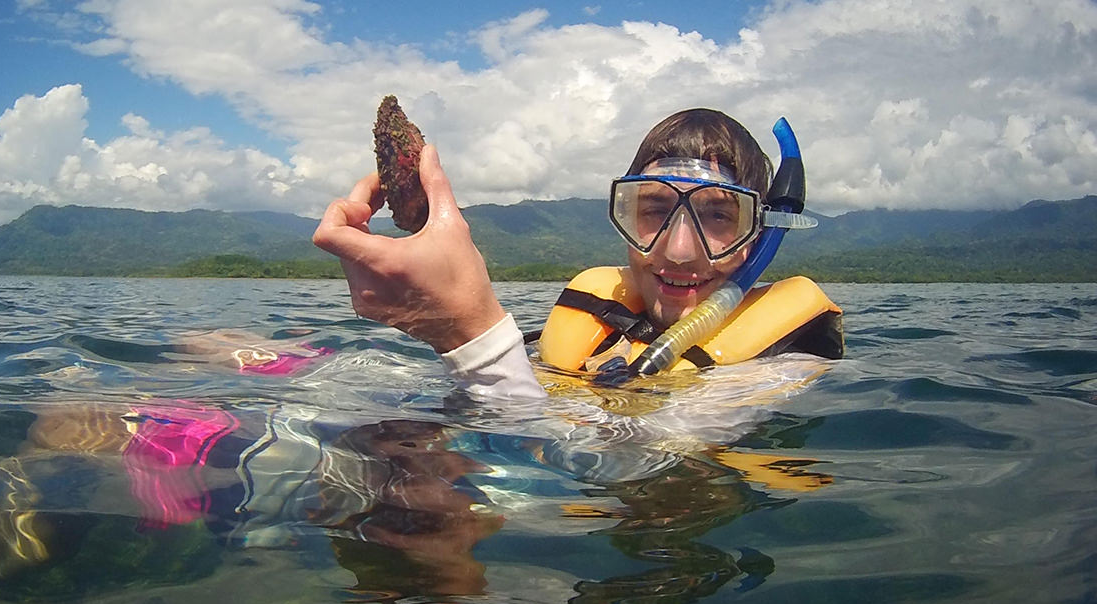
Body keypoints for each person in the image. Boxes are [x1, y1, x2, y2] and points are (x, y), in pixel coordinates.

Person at [313, 108, 841, 401]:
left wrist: (466, 331)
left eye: (721, 216)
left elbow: (623, 464)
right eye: (653, 210)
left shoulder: (786, 359)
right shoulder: (605, 309)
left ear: (764, 234)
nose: (679, 252)